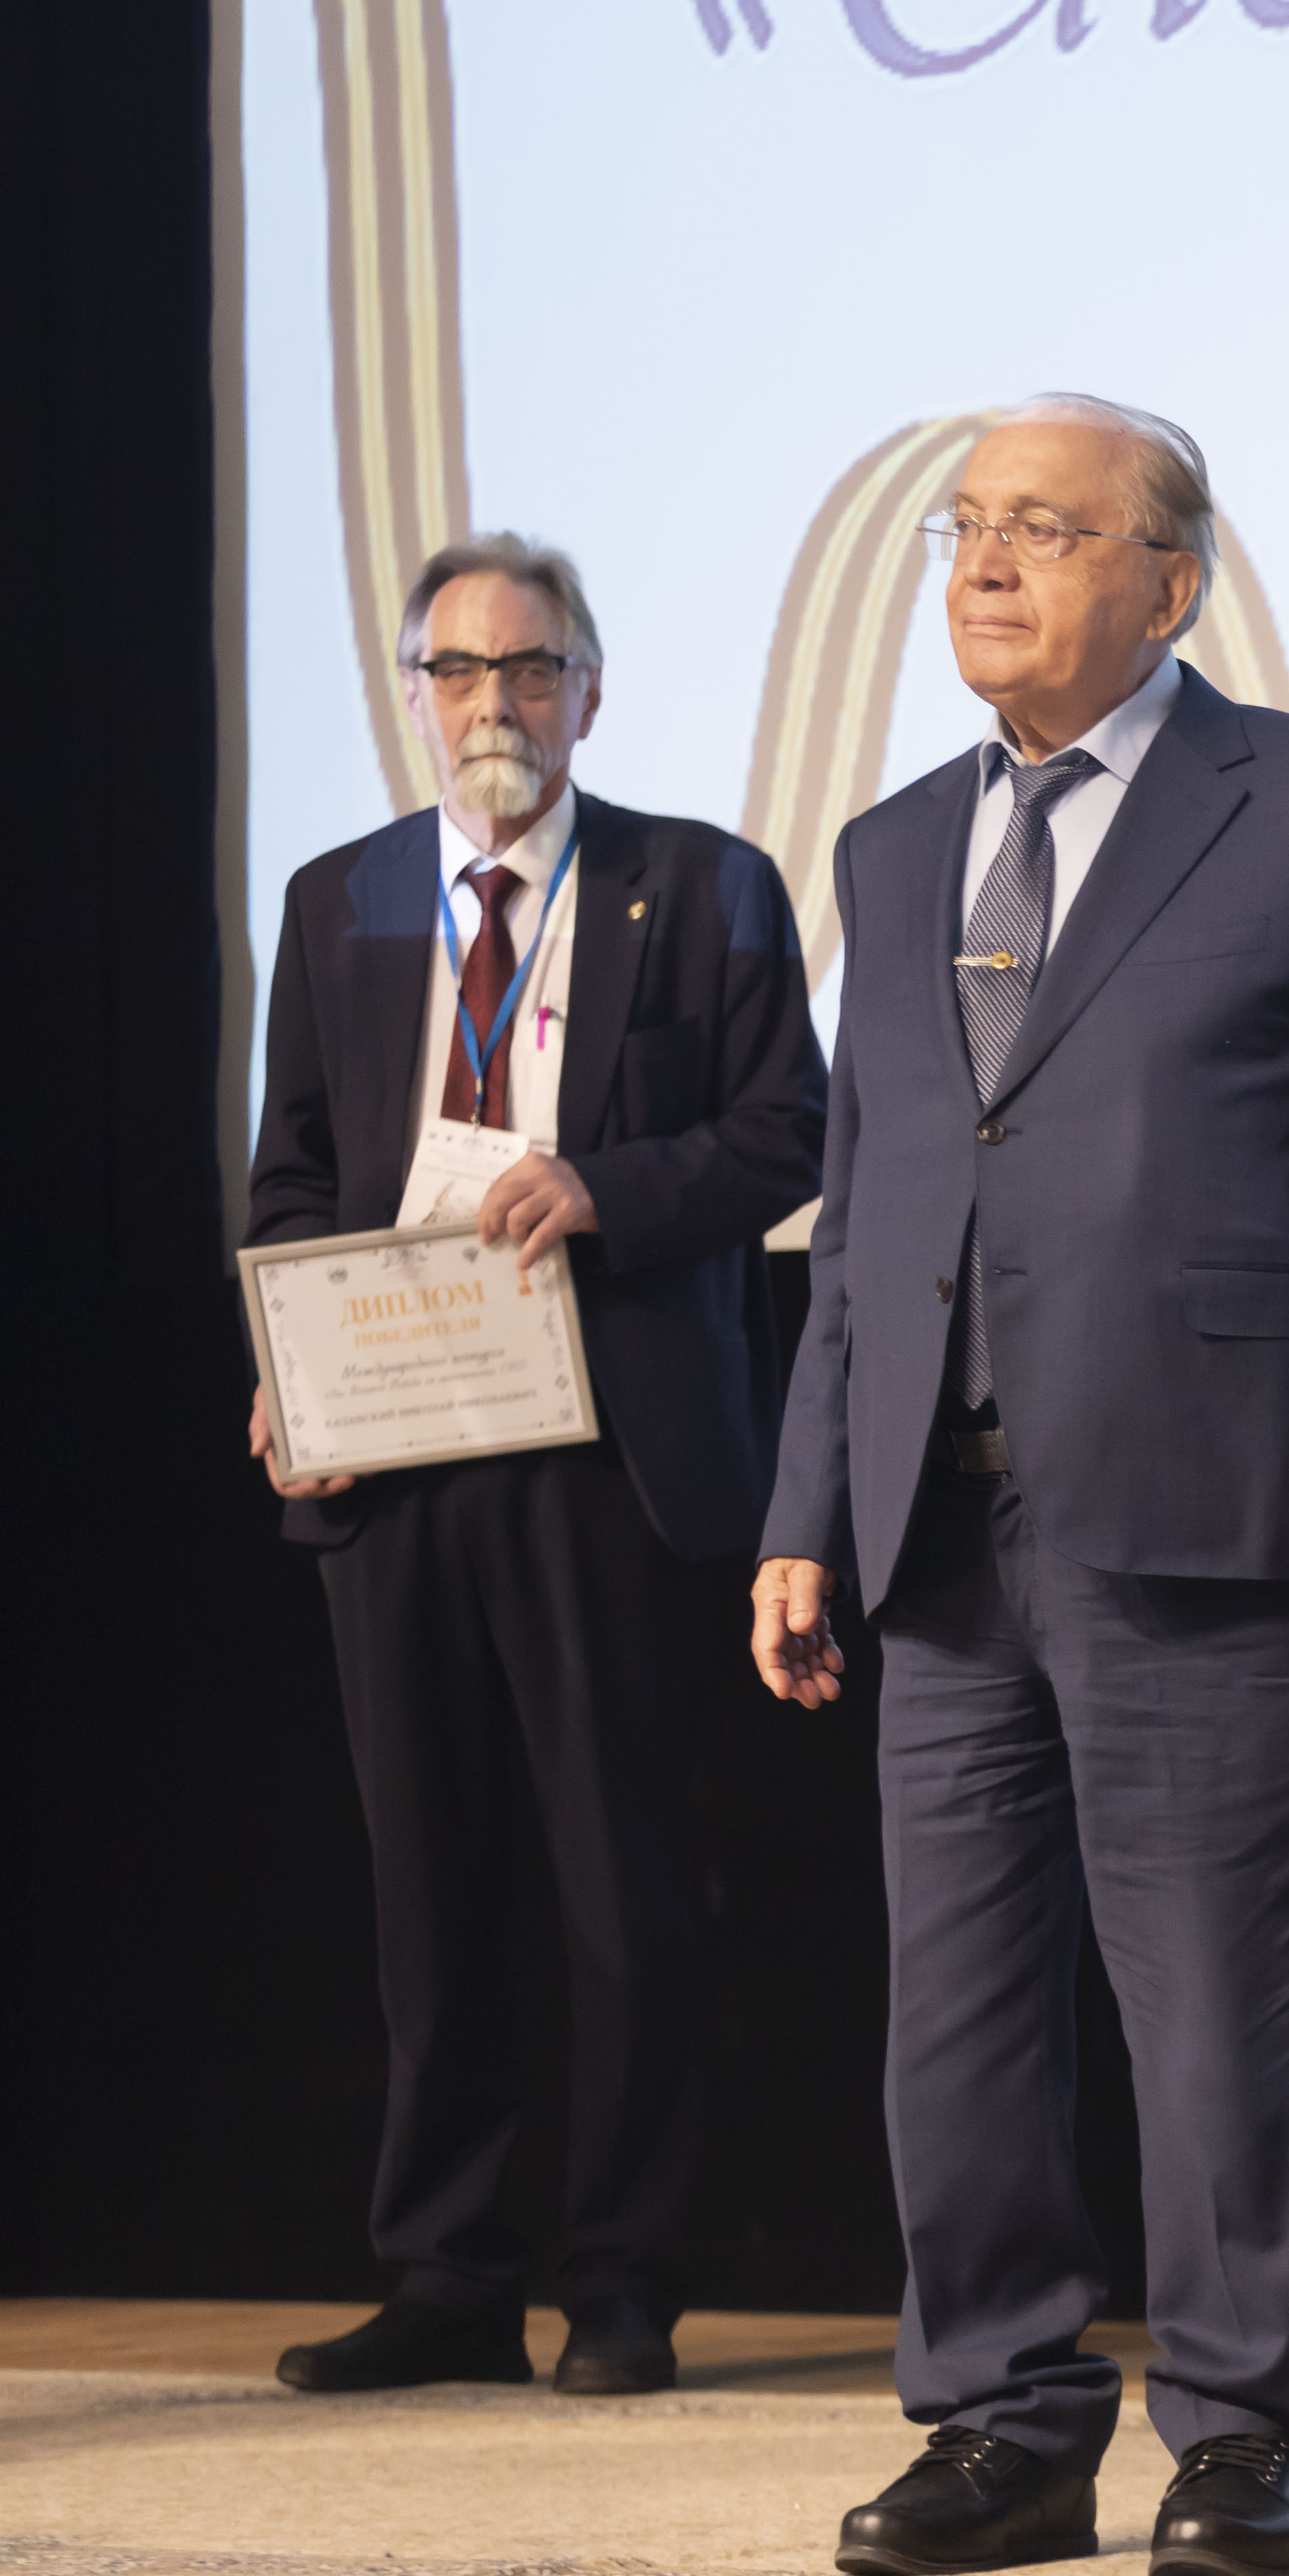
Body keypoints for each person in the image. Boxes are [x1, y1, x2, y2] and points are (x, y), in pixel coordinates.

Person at [750, 396, 1289, 2576]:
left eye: (1044, 530)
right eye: (967, 526)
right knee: (955, 2027)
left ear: (1171, 580)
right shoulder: (894, 850)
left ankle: (1245, 2430)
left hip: (1220, 1513)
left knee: (1235, 2022)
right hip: (940, 1534)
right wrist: (802, 1507)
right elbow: (868, 1207)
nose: (985, 562)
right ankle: (1003, 2421)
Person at [247, 534, 828, 2396]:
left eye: (529, 667)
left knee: (620, 1890)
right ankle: (446, 2275)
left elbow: (792, 1133)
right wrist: (285, 1370)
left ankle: (623, 2277)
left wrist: (607, 1188)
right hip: (397, 1454)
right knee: (429, 1891)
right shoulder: (338, 899)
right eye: (459, 669)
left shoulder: (707, 885)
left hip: (613, 1456)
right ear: (414, 694)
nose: (492, 701)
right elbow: (292, 1173)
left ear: (590, 691)